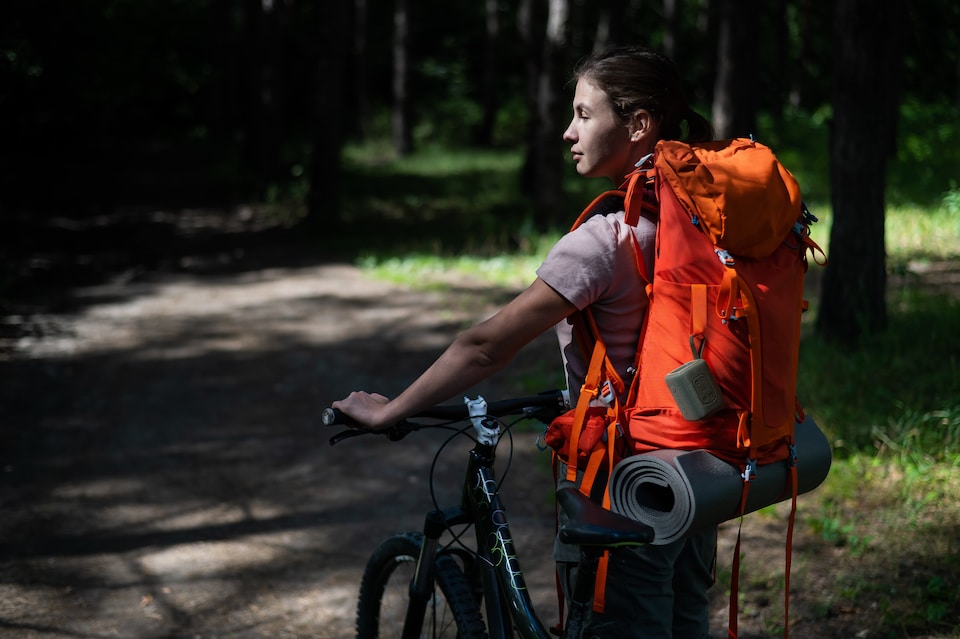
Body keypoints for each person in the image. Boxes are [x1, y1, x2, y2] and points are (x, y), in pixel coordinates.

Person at [333, 45, 715, 639]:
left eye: (585, 115)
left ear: (639, 124)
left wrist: (393, 410)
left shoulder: (605, 240)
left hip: (628, 480)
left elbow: (486, 346)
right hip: (700, 471)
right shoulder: (704, 220)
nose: (568, 132)